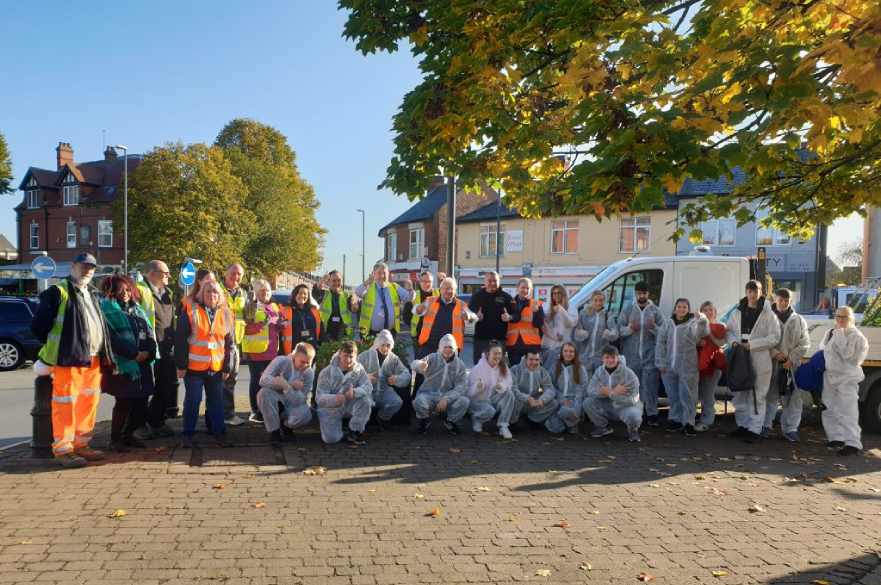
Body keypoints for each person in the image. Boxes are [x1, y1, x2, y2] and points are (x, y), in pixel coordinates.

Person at [31, 252, 113, 468]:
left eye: (91, 267)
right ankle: (63, 449)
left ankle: (81, 444)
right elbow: (38, 326)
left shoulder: (91, 293)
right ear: (73, 267)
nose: (87, 270)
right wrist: (57, 349)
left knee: (88, 403)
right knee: (65, 404)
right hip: (69, 359)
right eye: (83, 266)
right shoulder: (58, 292)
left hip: (92, 358)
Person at [100, 276, 157, 452]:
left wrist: (149, 352)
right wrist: (133, 354)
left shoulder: (137, 310)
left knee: (141, 404)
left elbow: (149, 332)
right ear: (112, 292)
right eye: (120, 290)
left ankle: (129, 434)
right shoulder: (107, 311)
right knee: (123, 403)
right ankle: (115, 439)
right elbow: (111, 339)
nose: (125, 293)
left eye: (127, 290)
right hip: (124, 365)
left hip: (142, 364)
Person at [175, 280, 234, 448]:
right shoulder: (191, 311)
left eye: (215, 292)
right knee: (193, 402)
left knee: (216, 403)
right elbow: (180, 339)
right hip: (194, 368)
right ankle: (187, 435)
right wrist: (181, 365)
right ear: (201, 294)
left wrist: (227, 367)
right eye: (208, 291)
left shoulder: (226, 313)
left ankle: (219, 434)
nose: (211, 295)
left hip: (216, 368)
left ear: (220, 295)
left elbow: (230, 344)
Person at [726, 280, 782, 442]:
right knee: (740, 392)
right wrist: (734, 342)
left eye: (755, 291)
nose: (752, 294)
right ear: (746, 292)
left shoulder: (768, 314)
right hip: (740, 355)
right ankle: (743, 425)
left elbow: (774, 337)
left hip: (760, 357)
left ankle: (755, 429)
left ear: (761, 292)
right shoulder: (737, 311)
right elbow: (729, 331)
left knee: (757, 394)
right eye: (750, 291)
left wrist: (752, 345)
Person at [655, 298, 709, 436]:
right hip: (669, 366)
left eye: (684, 307)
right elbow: (660, 343)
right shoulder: (667, 323)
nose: (681, 309)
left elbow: (702, 334)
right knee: (673, 395)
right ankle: (676, 420)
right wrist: (660, 362)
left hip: (688, 366)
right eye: (679, 307)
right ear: (675, 308)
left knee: (689, 395)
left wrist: (702, 319)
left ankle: (689, 422)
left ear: (688, 309)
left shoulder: (693, 323)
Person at [762, 289, 811, 441]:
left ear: (791, 301)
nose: (783, 303)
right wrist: (774, 353)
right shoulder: (766, 318)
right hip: (772, 363)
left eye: (786, 300)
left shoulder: (799, 320)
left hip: (791, 366)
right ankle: (765, 426)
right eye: (781, 300)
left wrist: (792, 359)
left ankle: (790, 429)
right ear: (775, 299)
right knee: (769, 396)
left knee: (793, 398)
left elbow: (805, 343)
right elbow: (761, 339)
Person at [820, 306, 868, 456]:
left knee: (848, 410)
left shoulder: (857, 336)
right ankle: (836, 438)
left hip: (847, 378)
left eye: (844, 317)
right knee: (830, 408)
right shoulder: (830, 332)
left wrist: (840, 336)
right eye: (838, 316)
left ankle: (853, 443)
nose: (840, 319)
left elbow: (850, 357)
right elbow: (822, 349)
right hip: (830, 376)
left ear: (851, 318)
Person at [138, 260, 179, 437]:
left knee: (166, 384)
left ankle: (157, 421)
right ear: (152, 273)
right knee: (143, 388)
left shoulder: (167, 293)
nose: (168, 276)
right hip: (147, 347)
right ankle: (138, 426)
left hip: (166, 347)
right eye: (165, 273)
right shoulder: (140, 290)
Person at [617, 281, 664, 426]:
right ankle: (636, 413)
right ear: (635, 293)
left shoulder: (655, 311)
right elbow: (619, 330)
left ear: (648, 294)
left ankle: (652, 414)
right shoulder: (628, 309)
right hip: (631, 356)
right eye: (639, 293)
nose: (641, 296)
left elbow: (664, 333)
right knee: (633, 386)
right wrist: (630, 329)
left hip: (650, 355)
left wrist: (654, 327)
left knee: (650, 385)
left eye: (644, 293)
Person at [315, 340, 373, 445]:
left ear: (356, 356)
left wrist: (354, 392)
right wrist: (335, 398)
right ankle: (338, 429)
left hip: (349, 403)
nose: (348, 360)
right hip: (330, 408)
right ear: (340, 354)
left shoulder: (359, 370)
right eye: (345, 356)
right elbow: (319, 398)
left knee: (365, 401)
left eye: (351, 356)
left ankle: (354, 431)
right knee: (331, 439)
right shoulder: (327, 372)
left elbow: (368, 386)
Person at [256, 342, 315, 444]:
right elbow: (263, 380)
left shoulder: (309, 373)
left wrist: (287, 386)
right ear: (294, 355)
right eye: (302, 362)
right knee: (263, 393)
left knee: (306, 415)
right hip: (276, 397)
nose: (305, 365)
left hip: (292, 401)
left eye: (308, 363)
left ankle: (285, 425)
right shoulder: (281, 361)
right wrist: (287, 384)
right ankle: (274, 431)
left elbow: (301, 400)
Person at [412, 334, 470, 435]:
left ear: (455, 348)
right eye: (445, 347)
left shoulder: (459, 364)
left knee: (464, 401)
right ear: (440, 348)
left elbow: (461, 386)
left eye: (450, 347)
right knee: (418, 402)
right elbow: (415, 364)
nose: (447, 350)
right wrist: (420, 365)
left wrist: (446, 399)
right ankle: (424, 420)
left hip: (447, 396)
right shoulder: (432, 357)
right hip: (428, 394)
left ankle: (450, 421)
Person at [242, 279, 283, 423]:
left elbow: (278, 328)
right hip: (255, 351)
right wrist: (262, 324)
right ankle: (255, 411)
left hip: (272, 351)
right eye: (262, 290)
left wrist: (281, 324)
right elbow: (245, 329)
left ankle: (267, 408)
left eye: (268, 290)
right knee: (257, 381)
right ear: (256, 292)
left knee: (270, 382)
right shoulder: (250, 307)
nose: (265, 293)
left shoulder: (274, 306)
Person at [584, 346, 643, 442]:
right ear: (602, 359)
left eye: (613, 357)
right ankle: (602, 427)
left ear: (618, 358)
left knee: (634, 415)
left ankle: (633, 430)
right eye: (607, 357)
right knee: (588, 402)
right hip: (607, 404)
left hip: (625, 406)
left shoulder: (629, 374)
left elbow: (634, 398)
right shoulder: (599, 371)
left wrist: (612, 394)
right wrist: (608, 392)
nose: (610, 360)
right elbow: (590, 390)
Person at [413, 277, 478, 360]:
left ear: (455, 291)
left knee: (449, 368)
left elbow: (473, 317)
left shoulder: (461, 304)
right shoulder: (430, 300)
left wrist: (469, 317)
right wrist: (418, 309)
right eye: (446, 288)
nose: (449, 291)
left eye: (452, 289)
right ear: (440, 290)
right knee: (425, 368)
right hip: (428, 346)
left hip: (451, 348)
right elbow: (416, 311)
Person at [357, 329, 409, 430]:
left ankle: (382, 419)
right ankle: (360, 427)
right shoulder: (365, 356)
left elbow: (406, 373)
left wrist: (397, 379)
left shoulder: (393, 359)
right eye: (383, 345)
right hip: (367, 391)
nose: (385, 348)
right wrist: (366, 377)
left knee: (396, 402)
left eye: (388, 345)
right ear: (377, 344)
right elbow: (353, 372)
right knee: (364, 403)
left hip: (383, 391)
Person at [467, 341, 517, 439]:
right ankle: (477, 419)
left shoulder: (503, 367)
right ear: (487, 354)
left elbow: (509, 382)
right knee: (490, 411)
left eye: (499, 353)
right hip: (478, 401)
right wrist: (477, 387)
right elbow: (468, 393)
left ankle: (503, 425)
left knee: (509, 394)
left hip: (492, 399)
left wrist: (502, 386)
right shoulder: (477, 368)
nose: (497, 356)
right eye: (495, 353)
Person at [354, 262, 415, 338]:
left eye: (384, 273)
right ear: (374, 274)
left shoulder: (394, 287)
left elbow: (409, 298)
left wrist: (410, 289)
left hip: (390, 332)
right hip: (370, 331)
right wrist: (367, 281)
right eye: (379, 273)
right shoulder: (368, 287)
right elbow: (357, 292)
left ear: (388, 274)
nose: (382, 276)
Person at [468, 271, 514, 365]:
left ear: (499, 282)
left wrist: (510, 317)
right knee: (480, 367)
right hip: (481, 339)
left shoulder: (506, 297)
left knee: (499, 368)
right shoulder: (477, 296)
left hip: (500, 340)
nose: (492, 283)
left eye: (495, 281)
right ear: (485, 282)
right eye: (489, 281)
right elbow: (468, 316)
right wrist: (475, 317)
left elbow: (516, 314)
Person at [221, 263, 247, 427]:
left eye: (239, 274)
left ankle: (228, 414)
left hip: (236, 343)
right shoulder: (217, 290)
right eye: (233, 273)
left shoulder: (243, 293)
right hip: (220, 342)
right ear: (226, 273)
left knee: (231, 379)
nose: (236, 277)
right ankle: (221, 415)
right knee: (219, 381)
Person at [696, 301, 728, 432]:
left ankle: (706, 421)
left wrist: (709, 335)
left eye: (710, 310)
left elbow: (721, 343)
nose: (708, 312)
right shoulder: (697, 325)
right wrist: (699, 342)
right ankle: (695, 418)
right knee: (697, 394)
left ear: (715, 312)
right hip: (697, 365)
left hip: (713, 366)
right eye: (705, 310)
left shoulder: (721, 326)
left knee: (708, 394)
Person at [545, 342, 589, 434]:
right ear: (561, 352)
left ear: (575, 353)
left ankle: (573, 423)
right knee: (555, 428)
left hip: (575, 400)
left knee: (565, 411)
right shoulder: (555, 366)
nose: (568, 354)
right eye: (565, 351)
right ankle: (568, 422)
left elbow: (583, 387)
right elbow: (550, 385)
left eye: (571, 351)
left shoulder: (580, 368)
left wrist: (575, 402)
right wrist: (561, 399)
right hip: (559, 399)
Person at [573, 291, 618, 376]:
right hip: (584, 356)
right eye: (595, 300)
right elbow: (576, 333)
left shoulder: (607, 315)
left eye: (601, 300)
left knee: (600, 381)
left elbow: (615, 334)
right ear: (591, 301)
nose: (598, 303)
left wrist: (609, 334)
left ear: (604, 301)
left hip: (601, 357)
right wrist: (582, 333)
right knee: (584, 380)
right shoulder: (584, 313)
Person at [510, 350, 558, 427]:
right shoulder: (515, 370)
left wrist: (542, 400)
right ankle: (512, 422)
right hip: (520, 401)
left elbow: (550, 389)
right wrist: (527, 398)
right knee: (511, 397)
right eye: (531, 359)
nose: (534, 362)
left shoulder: (543, 371)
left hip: (535, 402)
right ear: (525, 359)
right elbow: (512, 388)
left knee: (554, 403)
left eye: (536, 360)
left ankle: (532, 420)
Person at [506, 278, 545, 367]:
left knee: (533, 372)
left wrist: (536, 312)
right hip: (513, 345)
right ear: (517, 288)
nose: (525, 290)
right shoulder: (509, 304)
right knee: (515, 372)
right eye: (523, 287)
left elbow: (539, 324)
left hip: (531, 345)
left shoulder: (536, 304)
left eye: (528, 288)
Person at [313, 270, 355, 342]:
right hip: (326, 333)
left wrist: (354, 303)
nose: (336, 283)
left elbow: (354, 308)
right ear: (328, 282)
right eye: (334, 280)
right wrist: (322, 280)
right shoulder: (324, 294)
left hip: (343, 333)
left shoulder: (347, 295)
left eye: (339, 280)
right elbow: (315, 292)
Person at [280, 284, 322, 354]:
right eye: (299, 293)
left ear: (308, 297)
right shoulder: (285, 310)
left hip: (310, 348)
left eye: (305, 294)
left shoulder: (314, 310)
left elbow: (321, 330)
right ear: (295, 294)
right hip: (292, 350)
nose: (302, 295)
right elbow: (279, 332)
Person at [541, 285, 576, 366]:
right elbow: (542, 325)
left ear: (563, 294)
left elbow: (571, 323)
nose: (556, 295)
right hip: (547, 346)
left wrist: (561, 309)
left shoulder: (571, 308)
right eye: (554, 293)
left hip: (562, 348)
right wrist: (551, 312)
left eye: (559, 293)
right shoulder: (546, 307)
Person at [407, 271, 439, 354]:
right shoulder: (414, 295)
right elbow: (406, 315)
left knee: (434, 359)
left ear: (433, 282)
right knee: (419, 359)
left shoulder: (438, 293)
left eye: (429, 281)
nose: (427, 284)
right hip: (418, 334)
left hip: (435, 334)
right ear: (420, 282)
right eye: (424, 281)